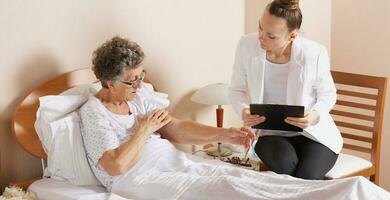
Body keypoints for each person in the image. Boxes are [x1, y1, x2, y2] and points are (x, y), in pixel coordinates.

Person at [79, 36, 389, 199]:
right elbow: (115, 166)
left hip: (178, 165)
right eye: (132, 80)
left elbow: (175, 129)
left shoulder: (139, 97)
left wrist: (227, 134)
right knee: (232, 191)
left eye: (139, 76)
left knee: (248, 178)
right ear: (108, 82)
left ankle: (351, 193)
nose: (139, 84)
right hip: (143, 180)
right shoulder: (94, 112)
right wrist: (144, 130)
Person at [229, 0, 342, 180]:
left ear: (292, 35)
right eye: (260, 28)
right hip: (271, 135)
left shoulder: (314, 53)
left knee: (307, 175)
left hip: (314, 134)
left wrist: (313, 115)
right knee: (285, 165)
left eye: (271, 36)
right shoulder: (246, 45)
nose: (261, 37)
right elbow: (236, 90)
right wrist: (244, 110)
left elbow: (328, 94)